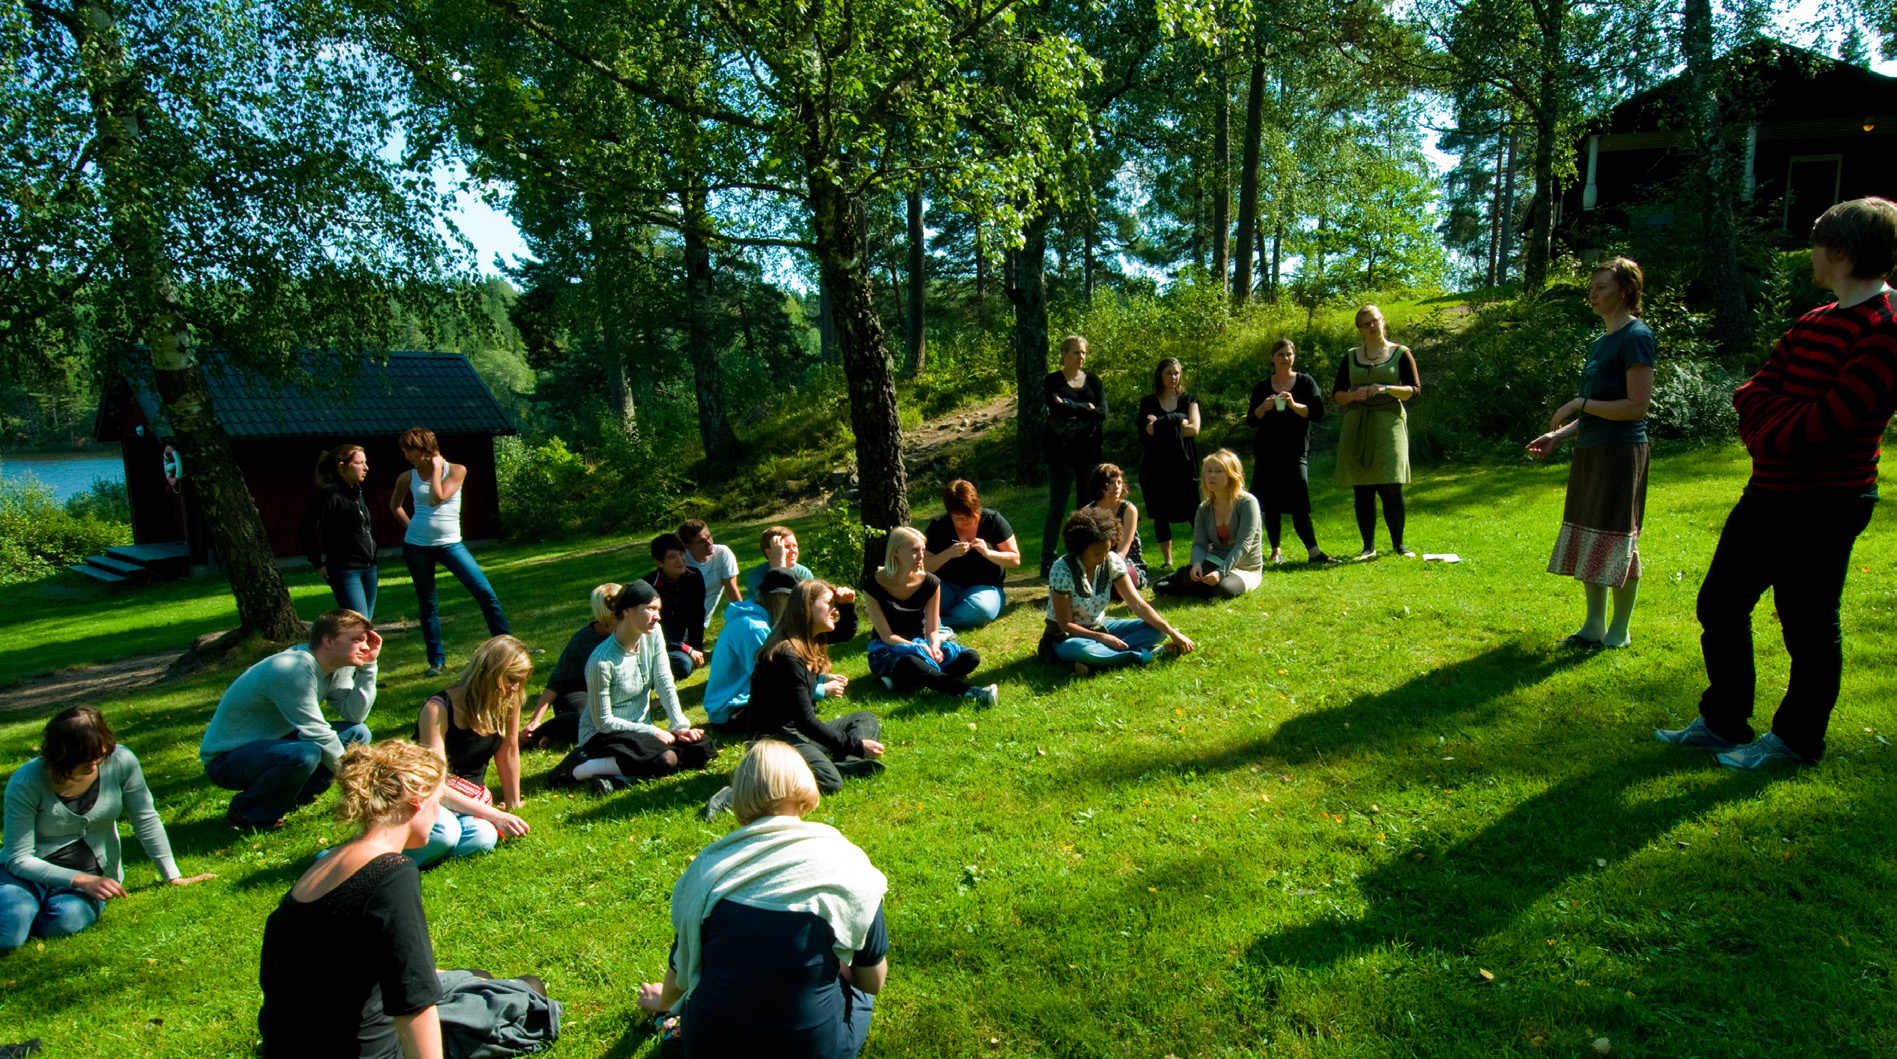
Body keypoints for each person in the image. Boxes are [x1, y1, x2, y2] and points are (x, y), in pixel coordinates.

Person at [1658, 196, 1897, 770]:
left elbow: (1833, 420)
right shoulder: (1813, 322)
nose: (1809, 256)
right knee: (1719, 603)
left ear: (1840, 252)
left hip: (1830, 500)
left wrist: (1772, 426)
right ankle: (1723, 722)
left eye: (1816, 245)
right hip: (1769, 492)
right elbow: (1752, 392)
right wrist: (1779, 420)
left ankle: (1795, 740)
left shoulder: (1886, 328)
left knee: (1808, 622)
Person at [259, 740, 557, 1059]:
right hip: (364, 1048)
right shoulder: (390, 873)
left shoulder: (325, 865)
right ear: (417, 802)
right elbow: (412, 1001)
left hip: (291, 1042)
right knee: (527, 993)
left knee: (476, 978)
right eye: (437, 803)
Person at [639, 742, 888, 1059]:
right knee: (855, 987)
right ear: (804, 783)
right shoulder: (848, 865)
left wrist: (664, 1002)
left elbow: (683, 962)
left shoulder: (707, 868)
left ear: (739, 794)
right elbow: (873, 982)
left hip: (708, 1047)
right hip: (808, 1051)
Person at [2, 707, 215, 953]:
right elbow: (19, 858)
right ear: (60, 756)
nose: (93, 767)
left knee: (64, 922)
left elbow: (145, 818)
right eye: (83, 761)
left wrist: (172, 876)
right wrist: (79, 879)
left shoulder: (122, 761)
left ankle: (31, 909)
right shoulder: (27, 781)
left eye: (98, 758)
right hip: (28, 875)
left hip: (93, 875)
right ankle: (21, 905)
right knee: (7, 936)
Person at [1526, 258, 1656, 649]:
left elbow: (1636, 406)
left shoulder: (1636, 336)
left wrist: (1578, 402)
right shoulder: (1601, 342)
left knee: (1617, 539)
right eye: (1592, 287)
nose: (1592, 294)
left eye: (1601, 287)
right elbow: (1597, 409)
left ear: (1626, 291)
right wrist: (1558, 436)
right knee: (1589, 537)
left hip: (1621, 453)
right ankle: (1594, 625)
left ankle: (1620, 629)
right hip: (1591, 450)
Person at [201, 610, 380, 830]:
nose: (365, 646)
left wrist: (369, 666)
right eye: (356, 640)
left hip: (274, 743)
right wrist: (361, 783)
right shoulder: (293, 669)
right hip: (227, 759)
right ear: (328, 641)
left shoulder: (339, 666)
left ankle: (290, 799)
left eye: (366, 640)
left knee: (357, 733)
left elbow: (354, 715)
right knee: (305, 753)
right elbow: (317, 733)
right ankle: (247, 812)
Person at [551, 582, 716, 796]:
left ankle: (618, 779)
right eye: (651, 609)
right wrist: (653, 730)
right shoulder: (600, 661)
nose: (657, 616)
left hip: (638, 730)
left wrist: (679, 726)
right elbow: (604, 722)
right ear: (627, 611)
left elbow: (664, 680)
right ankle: (580, 767)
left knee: (701, 747)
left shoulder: (654, 633)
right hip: (602, 735)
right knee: (666, 759)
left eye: (658, 610)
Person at [731, 579, 885, 794]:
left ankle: (848, 763)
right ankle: (747, 787)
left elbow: (845, 633)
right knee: (830, 782)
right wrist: (857, 746)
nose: (835, 610)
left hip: (798, 734)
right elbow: (806, 723)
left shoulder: (809, 638)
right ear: (806, 607)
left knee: (863, 718)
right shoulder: (786, 655)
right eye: (830, 604)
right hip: (774, 740)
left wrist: (847, 604)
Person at [390, 427, 510, 677]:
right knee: (428, 605)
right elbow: (395, 506)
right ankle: (436, 661)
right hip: (416, 548)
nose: (405, 456)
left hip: (451, 544)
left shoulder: (456, 470)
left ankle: (509, 648)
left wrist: (435, 469)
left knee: (485, 594)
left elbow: (437, 498)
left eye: (409, 449)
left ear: (425, 448)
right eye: (403, 451)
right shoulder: (406, 477)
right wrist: (412, 528)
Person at [409, 636, 533, 868]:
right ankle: (375, 859)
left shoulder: (508, 701)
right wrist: (496, 815)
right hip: (427, 795)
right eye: (511, 679)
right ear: (489, 672)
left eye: (521, 681)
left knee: (484, 837)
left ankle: (420, 853)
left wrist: (513, 803)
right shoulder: (437, 708)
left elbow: (508, 753)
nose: (515, 688)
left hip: (470, 800)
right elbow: (434, 784)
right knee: (446, 832)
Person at [1041, 508, 1195, 676]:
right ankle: (1148, 655)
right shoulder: (1062, 569)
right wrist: (1102, 638)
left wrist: (1172, 631)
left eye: (1106, 551)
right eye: (1097, 554)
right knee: (1085, 650)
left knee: (1158, 631)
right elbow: (1065, 625)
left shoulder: (1111, 561)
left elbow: (1137, 603)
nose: (1102, 558)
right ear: (1080, 549)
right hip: (1066, 637)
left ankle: (1100, 661)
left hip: (1100, 627)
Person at [862, 528, 997, 708]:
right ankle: (972, 692)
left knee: (970, 657)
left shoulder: (931, 582)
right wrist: (917, 647)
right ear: (896, 551)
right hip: (891, 649)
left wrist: (933, 646)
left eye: (922, 550)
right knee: (911, 661)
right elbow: (886, 636)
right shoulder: (873, 585)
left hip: (923, 644)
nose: (921, 556)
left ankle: (904, 680)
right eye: (914, 550)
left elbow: (933, 629)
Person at [1332, 305, 1422, 559]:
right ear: (1360, 329)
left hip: (1389, 421)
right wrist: (1353, 395)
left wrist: (1387, 389)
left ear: (1383, 321)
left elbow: (1415, 390)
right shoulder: (1351, 356)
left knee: (1390, 485)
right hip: (1357, 422)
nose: (1373, 325)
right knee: (1363, 487)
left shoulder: (1401, 353)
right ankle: (1368, 547)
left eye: (1376, 320)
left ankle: (1399, 545)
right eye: (1367, 323)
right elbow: (1337, 394)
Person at [704, 569, 844, 727]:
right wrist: (821, 690)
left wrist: (820, 678)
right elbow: (775, 681)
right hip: (731, 710)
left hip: (744, 698)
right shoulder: (754, 628)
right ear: (778, 597)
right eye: (793, 600)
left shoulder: (763, 619)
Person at [1246, 340, 1338, 565]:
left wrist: (1294, 404)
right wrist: (1263, 408)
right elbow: (1251, 421)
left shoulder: (1305, 382)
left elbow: (1316, 413)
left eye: (1289, 354)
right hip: (1267, 453)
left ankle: (1314, 552)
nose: (1285, 358)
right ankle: (1275, 549)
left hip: (1295, 452)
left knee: (1299, 502)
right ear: (1272, 358)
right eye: (1280, 354)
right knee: (1269, 505)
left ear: (1294, 357)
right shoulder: (1262, 387)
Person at [521, 583, 620, 750]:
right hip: (578, 692)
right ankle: (539, 733)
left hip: (609, 692)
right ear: (604, 615)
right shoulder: (582, 641)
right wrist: (535, 720)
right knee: (588, 719)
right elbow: (556, 682)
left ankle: (556, 734)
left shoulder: (632, 634)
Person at [1039, 335, 1107, 578]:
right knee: (1057, 507)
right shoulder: (1053, 381)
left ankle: (1082, 556)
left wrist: (1073, 409)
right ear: (1064, 354)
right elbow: (1056, 408)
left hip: (1089, 452)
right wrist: (1084, 409)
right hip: (1059, 453)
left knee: (1086, 508)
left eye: (1084, 352)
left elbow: (1102, 412)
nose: (1082, 357)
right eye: (1077, 352)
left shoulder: (1094, 381)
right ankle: (1047, 561)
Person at [1155, 449, 1264, 600]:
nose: (1212, 476)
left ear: (1231, 475)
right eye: (1209, 471)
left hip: (1244, 568)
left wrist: (1220, 572)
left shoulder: (1247, 503)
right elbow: (1199, 544)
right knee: (1193, 578)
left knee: (1222, 588)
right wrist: (1196, 564)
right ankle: (1184, 579)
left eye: (1218, 471)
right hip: (1214, 561)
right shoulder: (1204, 508)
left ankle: (1185, 585)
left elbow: (1243, 544)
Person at [921, 479, 1020, 630]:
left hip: (985, 588)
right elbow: (925, 566)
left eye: (969, 516)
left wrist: (988, 553)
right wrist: (948, 553)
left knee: (981, 610)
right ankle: (937, 620)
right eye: (957, 518)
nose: (964, 522)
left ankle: (935, 623)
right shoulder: (939, 525)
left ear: (976, 507)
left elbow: (1014, 559)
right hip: (947, 585)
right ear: (950, 514)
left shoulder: (993, 520)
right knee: (921, 600)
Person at [1136, 358, 1203, 568]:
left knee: (1194, 509)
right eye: (1168, 373)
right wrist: (1177, 422)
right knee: (1160, 512)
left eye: (1176, 373)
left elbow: (1194, 429)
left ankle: (1206, 552)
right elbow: (1145, 432)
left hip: (1185, 464)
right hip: (1157, 466)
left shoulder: (1189, 400)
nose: (1173, 377)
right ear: (1160, 376)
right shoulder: (1148, 402)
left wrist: (1162, 425)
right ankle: (1167, 560)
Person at [301, 443, 379, 618]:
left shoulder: (358, 493)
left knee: (365, 622)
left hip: (370, 567)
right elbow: (307, 529)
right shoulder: (330, 494)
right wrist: (317, 563)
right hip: (346, 570)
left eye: (365, 462)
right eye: (359, 463)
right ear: (341, 467)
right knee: (359, 623)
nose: (366, 468)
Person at [643, 533, 708, 680]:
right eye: (672, 557)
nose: (680, 561)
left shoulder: (694, 576)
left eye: (681, 554)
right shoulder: (648, 587)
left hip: (682, 642)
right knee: (682, 666)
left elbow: (698, 614)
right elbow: (651, 629)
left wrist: (697, 649)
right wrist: (687, 650)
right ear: (659, 562)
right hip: (658, 643)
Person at [1078, 463, 1148, 589]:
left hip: (1124, 560)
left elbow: (1123, 550)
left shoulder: (1128, 509)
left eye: (1119, 482)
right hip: (1095, 561)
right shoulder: (1087, 512)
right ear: (1099, 485)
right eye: (1110, 482)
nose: (1116, 487)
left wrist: (1106, 569)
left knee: (1123, 577)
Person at [679, 519, 742, 620]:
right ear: (687, 546)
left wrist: (743, 614)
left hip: (702, 620)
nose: (709, 543)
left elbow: (731, 589)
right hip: (680, 620)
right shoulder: (681, 562)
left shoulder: (722, 554)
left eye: (709, 537)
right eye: (702, 541)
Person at [743, 526, 814, 595]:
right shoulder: (756, 576)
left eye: (794, 546)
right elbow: (777, 600)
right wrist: (780, 564)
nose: (793, 550)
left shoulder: (804, 573)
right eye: (786, 547)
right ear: (769, 552)